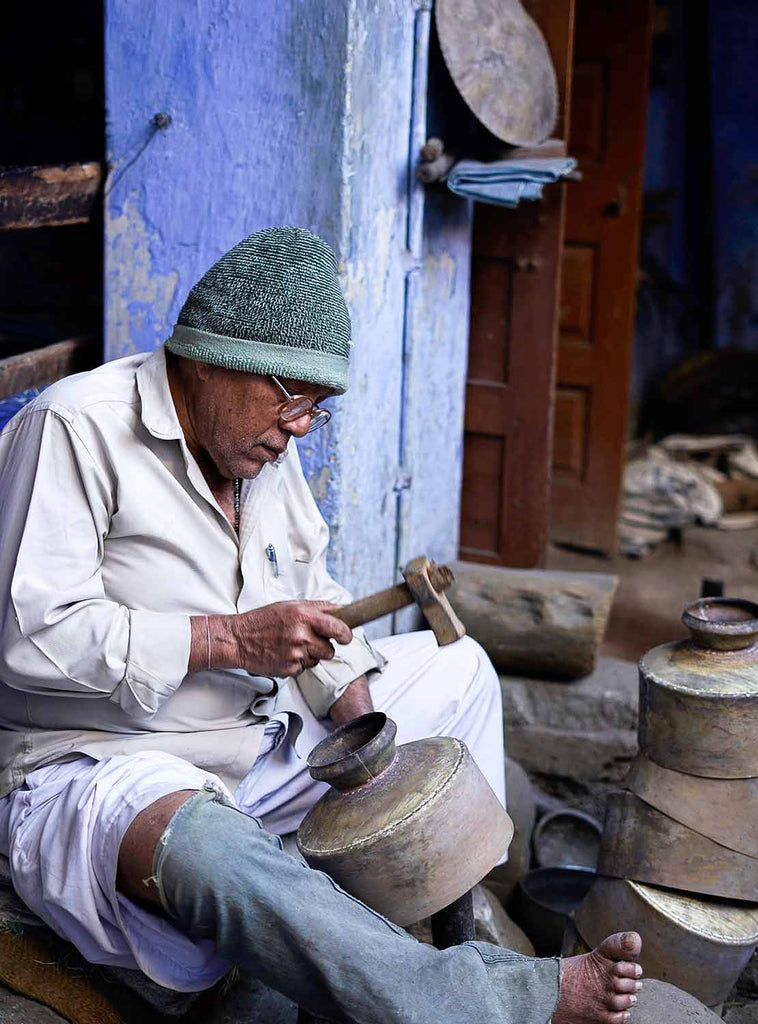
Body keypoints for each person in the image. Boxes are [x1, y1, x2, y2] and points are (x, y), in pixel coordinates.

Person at [0, 228, 641, 1023]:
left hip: (257, 737)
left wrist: (355, 710)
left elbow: (311, 590)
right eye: (291, 398)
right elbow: (29, 636)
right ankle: (488, 996)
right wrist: (227, 640)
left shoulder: (258, 444)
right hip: (108, 764)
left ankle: (449, 909)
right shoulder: (74, 429)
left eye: (317, 409)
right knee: (205, 857)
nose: (301, 426)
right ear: (208, 358)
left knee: (461, 669)